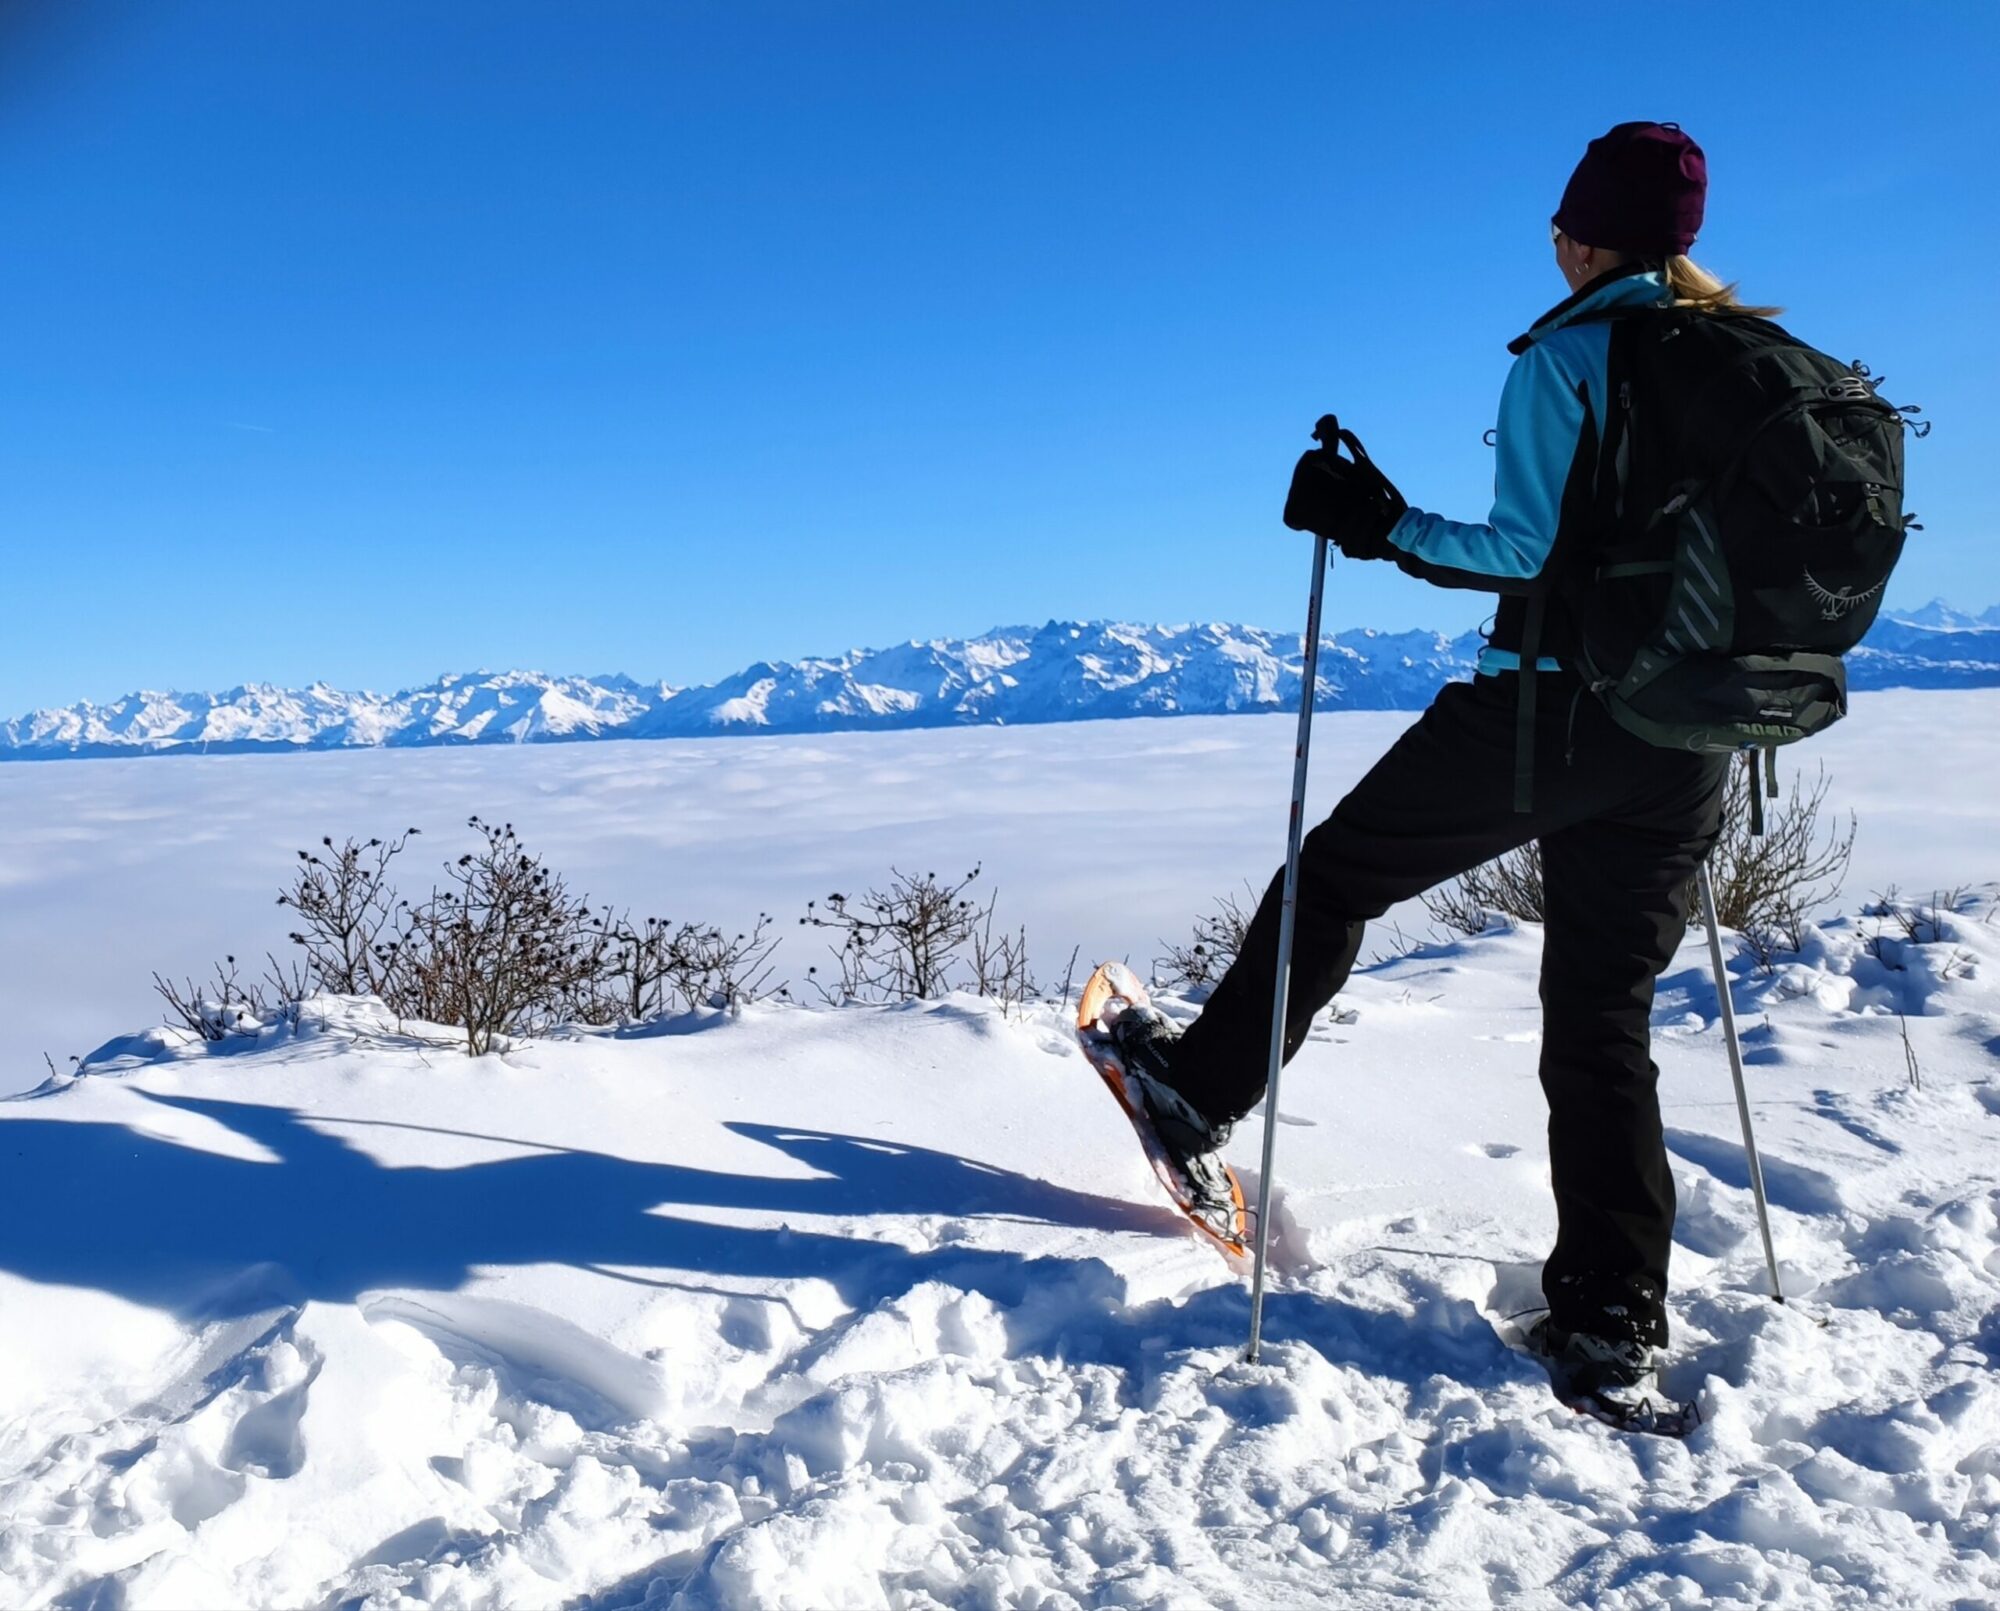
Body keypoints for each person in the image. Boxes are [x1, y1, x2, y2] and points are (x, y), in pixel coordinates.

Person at [1109, 122, 1753, 1416]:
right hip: (1692, 743)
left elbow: (1520, 553)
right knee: (1603, 1022)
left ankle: (1195, 1093)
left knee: (1338, 878)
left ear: (1586, 234)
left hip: (1554, 718)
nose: (1554, 244)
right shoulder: (1744, 362)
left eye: (1560, 224)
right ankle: (1611, 1320)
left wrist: (1376, 522)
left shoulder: (1571, 357)